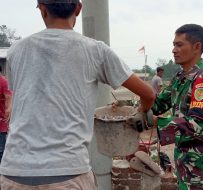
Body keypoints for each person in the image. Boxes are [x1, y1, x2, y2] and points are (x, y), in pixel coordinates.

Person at [0, 0, 155, 189]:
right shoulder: (95, 50)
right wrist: (142, 112)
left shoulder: (16, 50)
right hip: (68, 172)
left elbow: (20, 99)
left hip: (14, 170)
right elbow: (148, 94)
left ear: (42, 9)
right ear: (78, 8)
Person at [151, 24, 203, 190]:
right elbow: (160, 102)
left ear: (196, 46)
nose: (173, 50)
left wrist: (157, 123)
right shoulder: (181, 77)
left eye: (179, 45)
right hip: (186, 154)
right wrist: (130, 106)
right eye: (174, 45)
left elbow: (196, 124)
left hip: (200, 158)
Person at [0, 67, 12, 163]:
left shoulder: (3, 82)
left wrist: (7, 115)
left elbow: (9, 98)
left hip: (1, 122)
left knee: (1, 150)